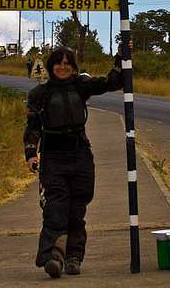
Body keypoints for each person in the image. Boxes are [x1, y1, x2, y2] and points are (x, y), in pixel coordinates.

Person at [23, 45, 127, 279]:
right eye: (59, 62)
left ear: (73, 66)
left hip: (80, 155)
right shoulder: (39, 94)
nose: (63, 66)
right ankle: (53, 257)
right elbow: (32, 127)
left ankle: (73, 258)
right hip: (53, 158)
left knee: (76, 211)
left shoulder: (81, 86)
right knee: (55, 208)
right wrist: (31, 153)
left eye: (67, 62)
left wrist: (122, 57)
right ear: (51, 66)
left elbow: (112, 83)